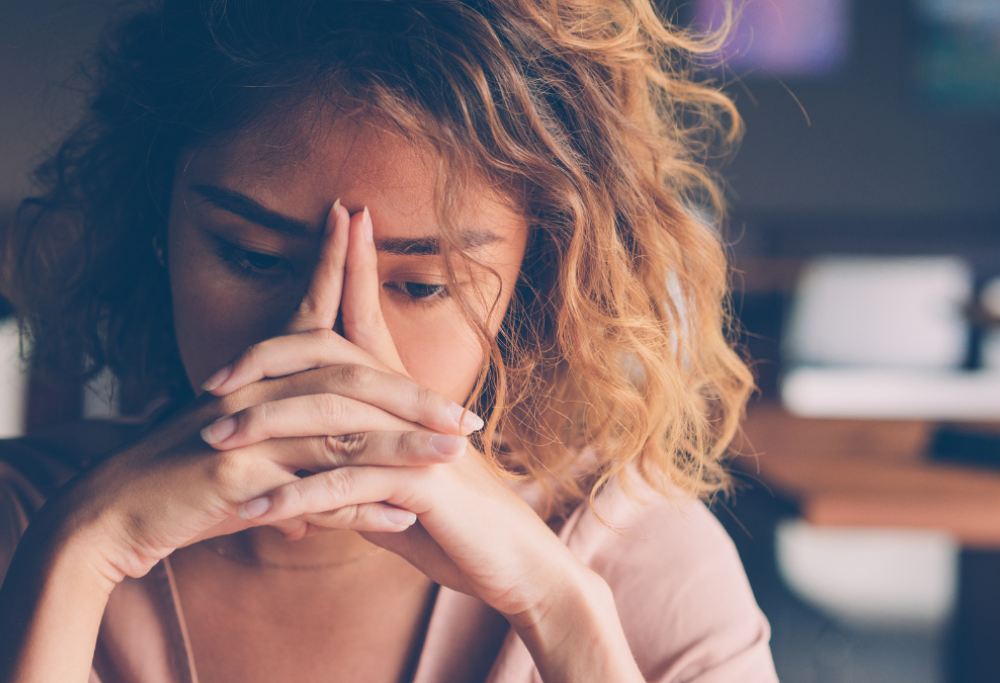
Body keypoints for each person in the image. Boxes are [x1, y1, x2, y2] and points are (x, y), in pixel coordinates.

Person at [0, 0, 778, 681]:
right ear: (159, 225)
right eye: (252, 256)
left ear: (534, 281)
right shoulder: (23, 521)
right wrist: (75, 559)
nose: (330, 344)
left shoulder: (641, 564)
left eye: (424, 284)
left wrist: (564, 615)